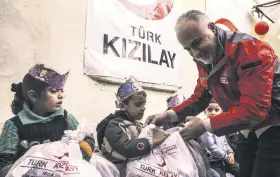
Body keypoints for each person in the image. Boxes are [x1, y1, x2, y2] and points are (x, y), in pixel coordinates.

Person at [146, 10, 280, 177]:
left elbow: (255, 110)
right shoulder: (205, 58)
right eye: (188, 49)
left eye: (197, 43)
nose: (195, 53)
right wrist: (168, 115)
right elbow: (200, 97)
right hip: (247, 127)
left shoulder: (251, 50)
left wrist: (204, 125)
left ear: (212, 28)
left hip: (274, 121)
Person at [0, 64, 95, 176]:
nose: (61, 96)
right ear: (34, 96)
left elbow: (87, 137)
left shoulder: (65, 118)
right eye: (54, 91)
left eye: (61, 90)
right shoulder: (14, 125)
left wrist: (84, 148)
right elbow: (4, 165)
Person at [96, 76, 168, 177]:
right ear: (122, 106)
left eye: (144, 103)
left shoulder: (135, 124)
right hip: (117, 172)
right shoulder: (114, 126)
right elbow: (126, 148)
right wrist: (151, 142)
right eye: (138, 104)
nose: (143, 108)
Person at [199, 99, 239, 177]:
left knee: (241, 170)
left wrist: (230, 152)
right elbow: (211, 146)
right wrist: (225, 156)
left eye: (216, 110)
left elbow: (225, 142)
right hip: (212, 162)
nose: (213, 112)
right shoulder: (204, 127)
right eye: (210, 110)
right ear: (205, 111)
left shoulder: (220, 126)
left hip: (223, 159)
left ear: (220, 111)